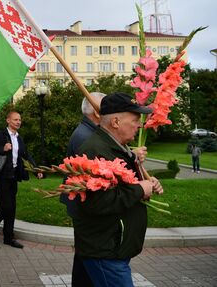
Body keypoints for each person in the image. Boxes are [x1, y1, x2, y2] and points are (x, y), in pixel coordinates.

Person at [75, 92, 163, 287]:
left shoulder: (116, 147)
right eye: (135, 119)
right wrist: (140, 190)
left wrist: (146, 183)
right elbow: (97, 202)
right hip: (105, 252)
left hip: (113, 247)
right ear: (115, 122)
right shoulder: (94, 151)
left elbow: (123, 185)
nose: (139, 125)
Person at [62, 92, 106, 287]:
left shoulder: (89, 132)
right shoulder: (85, 136)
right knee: (85, 256)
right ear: (96, 112)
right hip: (84, 205)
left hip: (82, 204)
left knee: (83, 255)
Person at [0, 110, 42, 248]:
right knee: (6, 206)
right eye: (16, 120)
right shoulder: (0, 135)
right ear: (8, 120)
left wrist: (36, 170)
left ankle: (8, 238)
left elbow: (26, 156)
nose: (18, 122)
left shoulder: (19, 138)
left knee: (12, 207)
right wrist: (2, 149)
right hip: (2, 177)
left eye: (20, 120)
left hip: (14, 176)